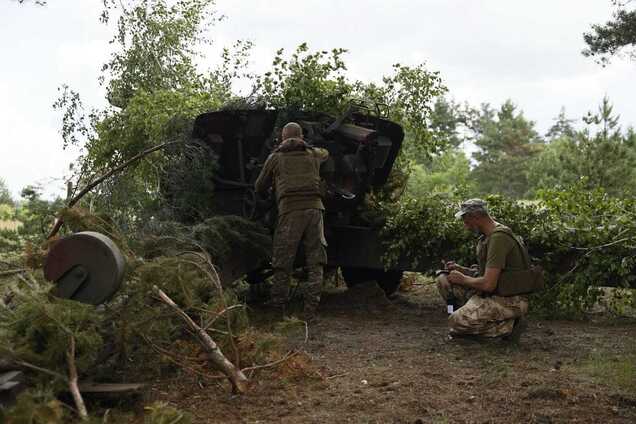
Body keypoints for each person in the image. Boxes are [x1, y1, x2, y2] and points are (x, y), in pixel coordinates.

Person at [254, 122, 329, 320]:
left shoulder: (275, 157)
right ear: (302, 137)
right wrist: (307, 145)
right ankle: (310, 312)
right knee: (316, 262)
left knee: (282, 260)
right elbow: (326, 153)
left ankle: (278, 309)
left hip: (290, 211)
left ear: (282, 138)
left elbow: (259, 186)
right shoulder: (314, 155)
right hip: (315, 210)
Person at [436, 199, 529, 340]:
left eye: (466, 221)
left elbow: (488, 284)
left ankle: (510, 326)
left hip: (510, 300)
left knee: (456, 322)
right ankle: (474, 316)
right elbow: (486, 275)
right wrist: (462, 270)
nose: (466, 226)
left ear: (476, 217)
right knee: (443, 281)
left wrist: (463, 279)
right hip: (493, 293)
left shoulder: (499, 238)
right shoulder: (487, 237)